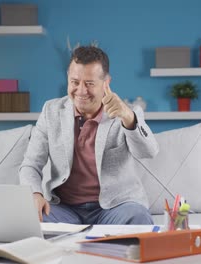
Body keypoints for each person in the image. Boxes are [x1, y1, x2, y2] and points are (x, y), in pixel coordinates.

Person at [19, 46, 159, 225]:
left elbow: (148, 152)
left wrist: (128, 117)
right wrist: (35, 194)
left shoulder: (127, 113)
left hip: (115, 207)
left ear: (106, 83)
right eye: (75, 82)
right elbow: (31, 164)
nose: (81, 91)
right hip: (65, 208)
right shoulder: (51, 111)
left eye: (89, 83)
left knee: (139, 217)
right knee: (30, 219)